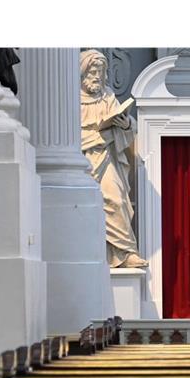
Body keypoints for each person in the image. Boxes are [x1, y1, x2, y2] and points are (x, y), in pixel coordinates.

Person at [79, 49, 147, 269]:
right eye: (93, 70)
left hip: (106, 156)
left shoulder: (107, 97)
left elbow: (128, 130)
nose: (97, 75)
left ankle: (126, 253)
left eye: (101, 71)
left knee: (116, 200)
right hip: (80, 158)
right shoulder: (70, 99)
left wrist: (125, 124)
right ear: (83, 71)